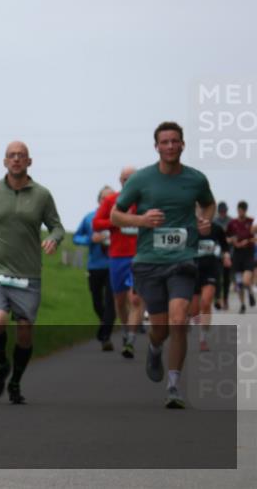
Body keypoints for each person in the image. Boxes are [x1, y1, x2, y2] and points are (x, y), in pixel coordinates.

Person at [111, 121, 215, 409]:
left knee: (179, 319)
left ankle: (173, 386)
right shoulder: (141, 180)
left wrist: (205, 220)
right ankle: (155, 348)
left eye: (175, 141)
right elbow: (116, 215)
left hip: (182, 260)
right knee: (161, 328)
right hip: (149, 262)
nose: (170, 146)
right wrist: (141, 220)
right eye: (164, 142)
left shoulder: (195, 179)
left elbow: (208, 203)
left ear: (183, 144)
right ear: (156, 146)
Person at [0, 141, 65, 405]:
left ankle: (16, 382)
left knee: (24, 333)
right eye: (12, 156)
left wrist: (54, 239)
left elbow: (57, 227)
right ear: (5, 161)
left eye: (21, 156)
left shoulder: (42, 195)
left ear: (29, 162)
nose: (17, 159)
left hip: (28, 275)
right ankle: (2, 365)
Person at [94, 166, 146, 359]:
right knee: (120, 300)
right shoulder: (111, 201)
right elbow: (96, 224)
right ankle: (125, 330)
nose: (128, 182)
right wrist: (117, 221)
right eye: (125, 179)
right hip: (117, 256)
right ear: (120, 180)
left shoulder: (145, 200)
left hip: (141, 256)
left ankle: (131, 338)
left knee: (135, 299)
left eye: (131, 179)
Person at [73, 186, 116, 351]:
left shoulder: (119, 218)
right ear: (99, 201)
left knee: (111, 302)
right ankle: (105, 326)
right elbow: (77, 237)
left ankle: (105, 336)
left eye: (111, 198)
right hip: (95, 265)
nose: (108, 201)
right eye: (105, 198)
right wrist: (90, 239)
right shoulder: (90, 218)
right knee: (97, 302)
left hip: (113, 265)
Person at [191, 208, 231, 351]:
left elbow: (225, 245)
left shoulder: (217, 229)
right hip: (192, 269)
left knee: (206, 302)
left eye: (205, 210)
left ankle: (203, 339)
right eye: (199, 210)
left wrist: (226, 256)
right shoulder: (189, 228)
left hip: (211, 268)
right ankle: (198, 327)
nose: (201, 214)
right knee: (194, 310)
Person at [227, 201, 255, 313]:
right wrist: (232, 241)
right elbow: (226, 238)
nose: (240, 212)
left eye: (242, 210)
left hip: (248, 254)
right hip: (237, 255)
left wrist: (247, 241)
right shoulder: (232, 223)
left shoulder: (251, 222)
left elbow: (255, 238)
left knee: (246, 281)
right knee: (239, 284)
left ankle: (251, 292)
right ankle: (242, 304)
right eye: (239, 210)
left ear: (245, 211)